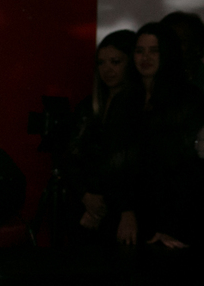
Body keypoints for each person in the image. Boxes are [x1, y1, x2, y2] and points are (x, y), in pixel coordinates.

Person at [66, 31, 142, 245]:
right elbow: (71, 156)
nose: (107, 69)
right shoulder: (88, 106)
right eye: (101, 63)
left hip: (126, 210)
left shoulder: (139, 105)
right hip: (85, 205)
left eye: (115, 62)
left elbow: (130, 164)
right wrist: (86, 196)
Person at [132, 22, 204, 248]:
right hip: (132, 216)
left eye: (155, 51)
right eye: (140, 50)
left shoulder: (188, 98)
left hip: (176, 218)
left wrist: (169, 226)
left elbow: (186, 167)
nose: (146, 57)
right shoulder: (127, 98)